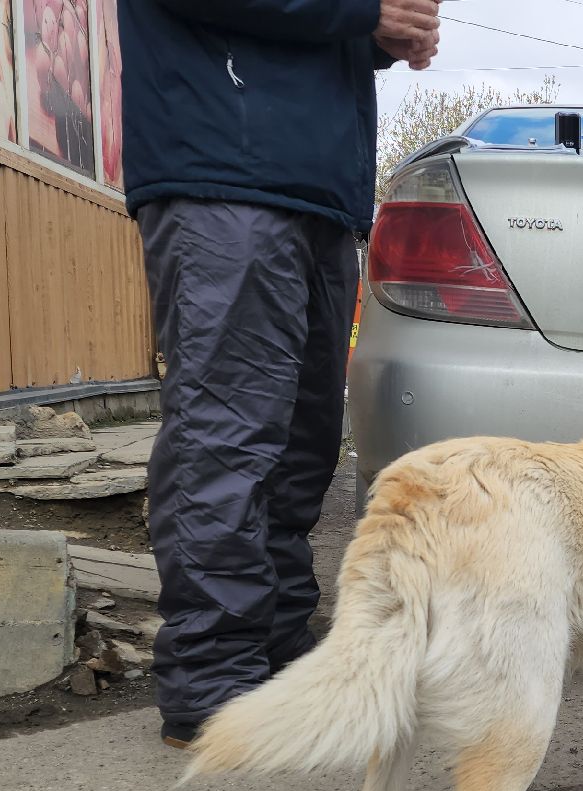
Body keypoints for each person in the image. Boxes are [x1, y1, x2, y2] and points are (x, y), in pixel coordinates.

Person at [121, 0, 441, 749]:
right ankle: (212, 676)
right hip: (224, 174)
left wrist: (381, 38)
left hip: (312, 189)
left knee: (301, 444)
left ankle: (272, 647)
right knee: (227, 436)